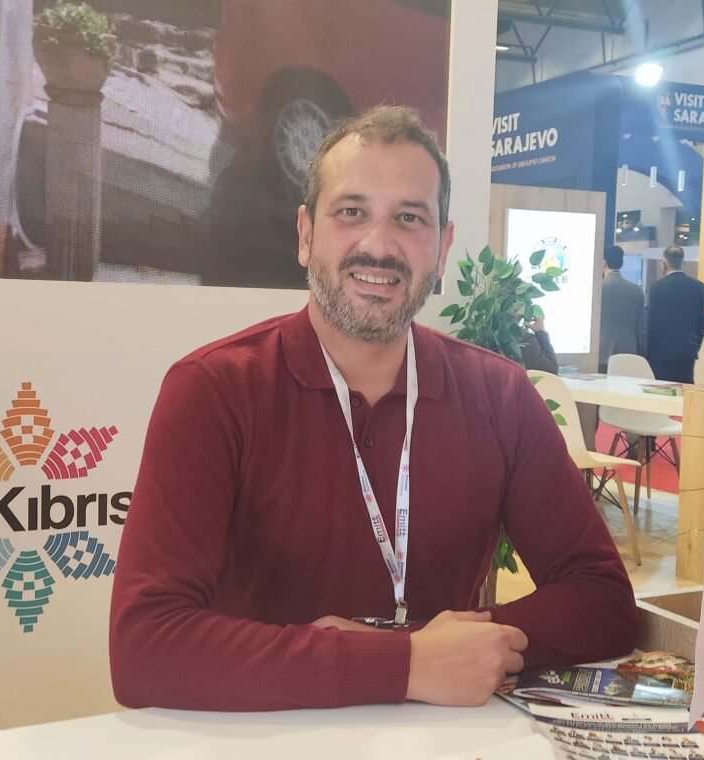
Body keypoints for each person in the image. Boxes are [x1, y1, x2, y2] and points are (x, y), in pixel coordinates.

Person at [109, 106, 636, 711]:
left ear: (442, 247)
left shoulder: (500, 395)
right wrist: (405, 662)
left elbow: (603, 601)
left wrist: (447, 652)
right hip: (268, 737)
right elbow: (144, 647)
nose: (378, 245)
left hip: (442, 741)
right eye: (351, 212)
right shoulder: (213, 391)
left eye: (409, 218)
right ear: (306, 234)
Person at [646, 246, 704, 384]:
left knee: (661, 390)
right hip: (687, 352)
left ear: (664, 264)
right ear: (683, 263)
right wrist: (694, 346)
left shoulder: (656, 288)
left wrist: (649, 352)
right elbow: (701, 322)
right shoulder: (698, 287)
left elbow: (651, 322)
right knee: (685, 390)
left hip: (660, 353)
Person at [599, 245, 646, 373]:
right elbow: (641, 328)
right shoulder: (636, 290)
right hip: (628, 353)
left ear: (603, 263)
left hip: (600, 353)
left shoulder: (597, 289)